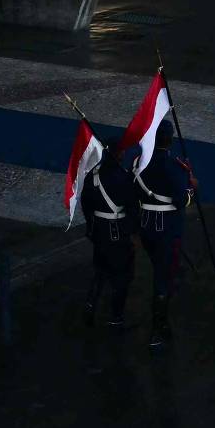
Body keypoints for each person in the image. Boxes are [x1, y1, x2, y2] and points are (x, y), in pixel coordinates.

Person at [129, 129, 195, 347]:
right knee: (163, 276)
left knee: (161, 268)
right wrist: (191, 191)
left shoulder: (139, 162)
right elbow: (180, 201)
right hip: (167, 227)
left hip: (146, 224)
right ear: (170, 141)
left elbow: (135, 191)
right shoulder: (174, 167)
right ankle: (159, 328)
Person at [79, 141, 139, 329]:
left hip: (99, 232)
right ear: (120, 154)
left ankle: (90, 306)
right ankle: (116, 317)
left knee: (100, 271)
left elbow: (86, 203)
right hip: (118, 233)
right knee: (121, 276)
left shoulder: (93, 177)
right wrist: (132, 231)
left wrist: (92, 226)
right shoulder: (124, 178)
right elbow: (132, 208)